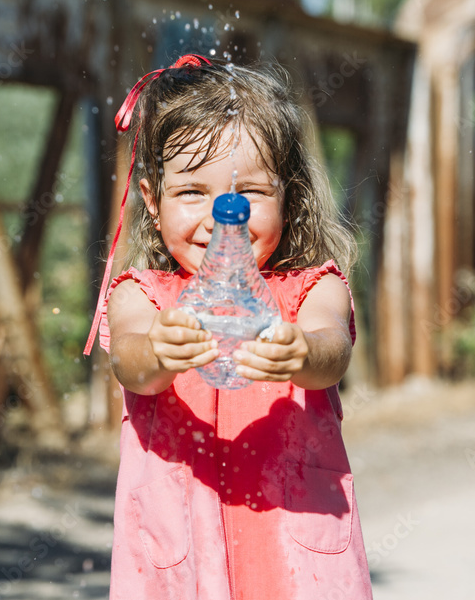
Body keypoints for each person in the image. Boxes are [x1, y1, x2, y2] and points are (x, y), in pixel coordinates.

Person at [84, 54, 371, 600]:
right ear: (152, 199)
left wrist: (303, 351)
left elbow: (332, 348)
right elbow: (132, 363)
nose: (222, 213)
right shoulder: (142, 295)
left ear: (288, 196)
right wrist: (158, 351)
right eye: (192, 191)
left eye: (250, 193)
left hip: (291, 557)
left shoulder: (310, 287)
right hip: (180, 555)